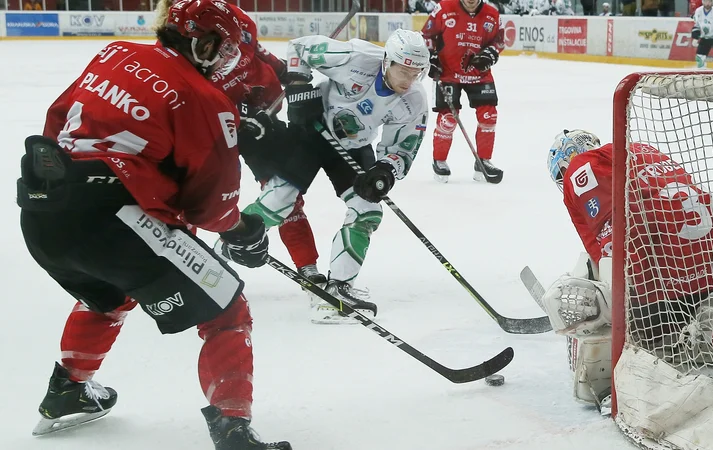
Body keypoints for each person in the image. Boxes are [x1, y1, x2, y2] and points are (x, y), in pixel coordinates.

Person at [18, 0, 289, 448]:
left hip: (44, 214)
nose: (224, 63)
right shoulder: (207, 101)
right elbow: (212, 207)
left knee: (109, 291)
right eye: (222, 51)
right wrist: (243, 233)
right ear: (202, 44)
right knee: (227, 309)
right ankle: (233, 429)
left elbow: (56, 124)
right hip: (114, 221)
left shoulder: (116, 53)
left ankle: (68, 392)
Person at [538, 130, 713, 408]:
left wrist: (618, 291)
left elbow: (615, 234)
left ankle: (617, 382)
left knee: (587, 285)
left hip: (658, 290)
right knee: (674, 323)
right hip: (705, 270)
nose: (566, 182)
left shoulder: (580, 167)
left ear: (567, 161)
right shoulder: (641, 150)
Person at [230, 29, 429, 324]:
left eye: (416, 73)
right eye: (404, 70)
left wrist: (385, 170)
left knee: (368, 210)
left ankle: (338, 289)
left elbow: (403, 146)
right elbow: (300, 46)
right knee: (279, 200)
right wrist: (299, 84)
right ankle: (225, 247)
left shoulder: (414, 101)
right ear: (387, 61)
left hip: (353, 145)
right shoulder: (357, 57)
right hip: (310, 132)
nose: (408, 79)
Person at [153, 0, 326, 288]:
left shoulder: (238, 19)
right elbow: (188, 100)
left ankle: (308, 268)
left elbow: (260, 53)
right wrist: (241, 117)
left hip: (264, 113)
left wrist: (288, 73)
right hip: (217, 127)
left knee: (285, 191)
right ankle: (187, 269)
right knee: (192, 196)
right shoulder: (181, 43)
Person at [422, 0, 504, 184]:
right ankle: (440, 161)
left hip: (479, 73)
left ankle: (483, 161)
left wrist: (491, 53)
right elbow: (426, 34)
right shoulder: (444, 8)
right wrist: (431, 55)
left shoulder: (492, 13)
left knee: (489, 116)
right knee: (448, 119)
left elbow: (499, 39)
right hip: (448, 73)